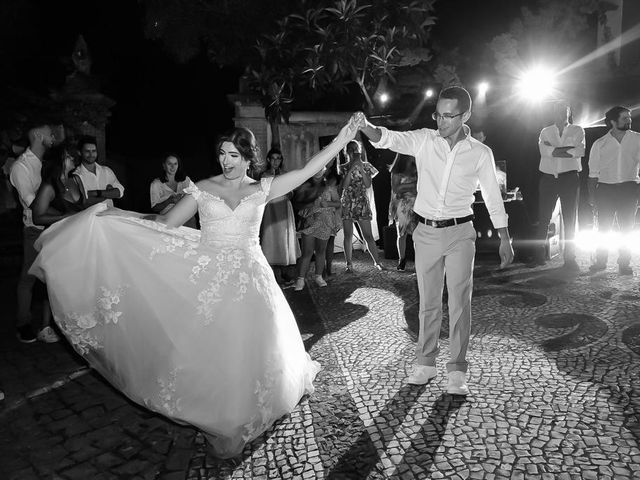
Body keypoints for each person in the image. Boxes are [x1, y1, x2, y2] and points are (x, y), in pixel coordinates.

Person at [29, 117, 359, 458]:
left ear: (249, 157)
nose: (226, 161)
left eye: (233, 154)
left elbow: (307, 170)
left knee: (253, 345)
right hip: (210, 279)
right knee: (211, 347)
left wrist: (341, 140)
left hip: (251, 278)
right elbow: (164, 224)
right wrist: (117, 218)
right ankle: (219, 411)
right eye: (222, 154)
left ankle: (247, 405)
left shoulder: (263, 188)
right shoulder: (202, 188)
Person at [356, 86, 513, 395]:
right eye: (438, 114)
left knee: (459, 303)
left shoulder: (480, 153)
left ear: (465, 115)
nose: (441, 121)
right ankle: (425, 363)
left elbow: (494, 198)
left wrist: (504, 237)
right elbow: (390, 138)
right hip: (425, 232)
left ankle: (457, 370)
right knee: (428, 303)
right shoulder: (425, 140)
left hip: (460, 232)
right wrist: (365, 127)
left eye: (448, 115)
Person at [9, 122, 60, 343]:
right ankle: (23, 324)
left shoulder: (46, 163)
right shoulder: (21, 167)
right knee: (29, 278)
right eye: (50, 134)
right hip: (35, 229)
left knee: (53, 278)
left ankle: (50, 325)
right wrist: (67, 214)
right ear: (39, 136)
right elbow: (32, 204)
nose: (53, 137)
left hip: (54, 226)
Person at [588, 106, 640, 275]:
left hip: (629, 188)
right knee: (603, 228)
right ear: (613, 121)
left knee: (627, 227)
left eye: (629, 117)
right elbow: (592, 174)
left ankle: (624, 263)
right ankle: (601, 261)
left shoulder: (637, 140)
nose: (629, 120)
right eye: (625, 118)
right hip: (606, 190)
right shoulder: (599, 144)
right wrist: (592, 198)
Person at [534, 101, 585, 270]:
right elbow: (543, 152)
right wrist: (566, 150)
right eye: (559, 111)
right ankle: (539, 254)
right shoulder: (545, 131)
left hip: (570, 178)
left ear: (569, 113)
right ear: (554, 112)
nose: (562, 113)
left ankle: (570, 258)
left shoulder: (577, 130)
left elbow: (579, 152)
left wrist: (553, 150)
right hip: (548, 178)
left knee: (570, 218)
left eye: (565, 111)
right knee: (544, 218)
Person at [293, 167, 342, 291]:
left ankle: (318, 276)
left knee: (321, 251)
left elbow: (338, 203)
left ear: (324, 170)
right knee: (307, 252)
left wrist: (328, 204)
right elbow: (296, 203)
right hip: (309, 222)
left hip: (325, 223)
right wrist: (309, 204)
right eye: (316, 168)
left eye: (321, 168)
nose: (318, 171)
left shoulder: (329, 187)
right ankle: (300, 279)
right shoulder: (305, 186)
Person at [339, 139, 383, 271]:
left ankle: (377, 262)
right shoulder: (343, 167)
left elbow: (368, 184)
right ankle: (349, 264)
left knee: (368, 235)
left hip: (362, 202)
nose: (353, 151)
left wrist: (361, 169)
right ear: (346, 152)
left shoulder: (367, 166)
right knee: (348, 235)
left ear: (359, 150)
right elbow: (344, 186)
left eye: (355, 149)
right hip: (347, 202)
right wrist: (352, 168)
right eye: (350, 149)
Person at [259, 148, 300, 284]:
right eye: (273, 158)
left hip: (284, 207)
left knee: (284, 239)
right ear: (269, 160)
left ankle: (286, 273)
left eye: (278, 158)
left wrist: (288, 191)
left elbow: (292, 193)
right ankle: (274, 274)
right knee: (271, 237)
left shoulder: (285, 174)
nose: (276, 161)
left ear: (281, 160)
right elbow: (263, 194)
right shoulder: (264, 175)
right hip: (270, 209)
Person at [32, 144, 85, 227]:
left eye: (71, 156)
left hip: (79, 229)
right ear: (57, 160)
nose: (72, 158)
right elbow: (37, 218)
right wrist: (64, 217)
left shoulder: (76, 179)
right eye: (67, 156)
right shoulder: (49, 186)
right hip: (59, 233)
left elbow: (84, 205)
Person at [73, 135, 124, 207]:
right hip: (90, 217)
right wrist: (108, 193)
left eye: (94, 151)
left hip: (110, 214)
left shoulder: (106, 170)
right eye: (87, 151)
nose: (91, 154)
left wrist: (96, 193)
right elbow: (84, 202)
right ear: (79, 152)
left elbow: (120, 192)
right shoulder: (76, 175)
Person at [388, 153, 418, 271]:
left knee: (417, 235)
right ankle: (402, 259)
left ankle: (418, 261)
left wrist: (405, 187)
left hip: (417, 204)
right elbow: (396, 189)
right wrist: (414, 186)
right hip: (402, 205)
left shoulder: (417, 167)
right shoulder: (396, 170)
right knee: (402, 234)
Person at [149, 154, 196, 228]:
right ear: (164, 166)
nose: (173, 167)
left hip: (187, 218)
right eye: (169, 164)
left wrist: (183, 199)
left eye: (175, 164)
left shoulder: (186, 180)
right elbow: (155, 208)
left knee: (192, 238)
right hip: (168, 220)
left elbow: (196, 197)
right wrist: (170, 200)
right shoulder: (156, 184)